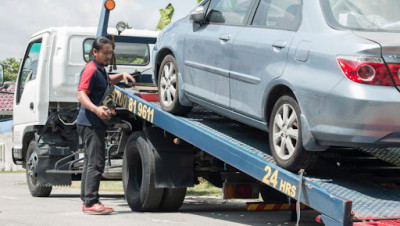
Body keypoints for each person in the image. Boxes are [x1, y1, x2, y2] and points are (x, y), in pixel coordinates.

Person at [77, 36, 135, 215]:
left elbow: (108, 81)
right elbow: (81, 94)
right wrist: (95, 109)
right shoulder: (90, 69)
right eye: (105, 53)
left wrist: (122, 75)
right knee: (96, 162)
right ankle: (91, 202)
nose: (109, 56)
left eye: (111, 53)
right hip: (91, 122)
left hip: (92, 122)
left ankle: (87, 200)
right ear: (95, 52)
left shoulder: (100, 69)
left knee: (90, 162)